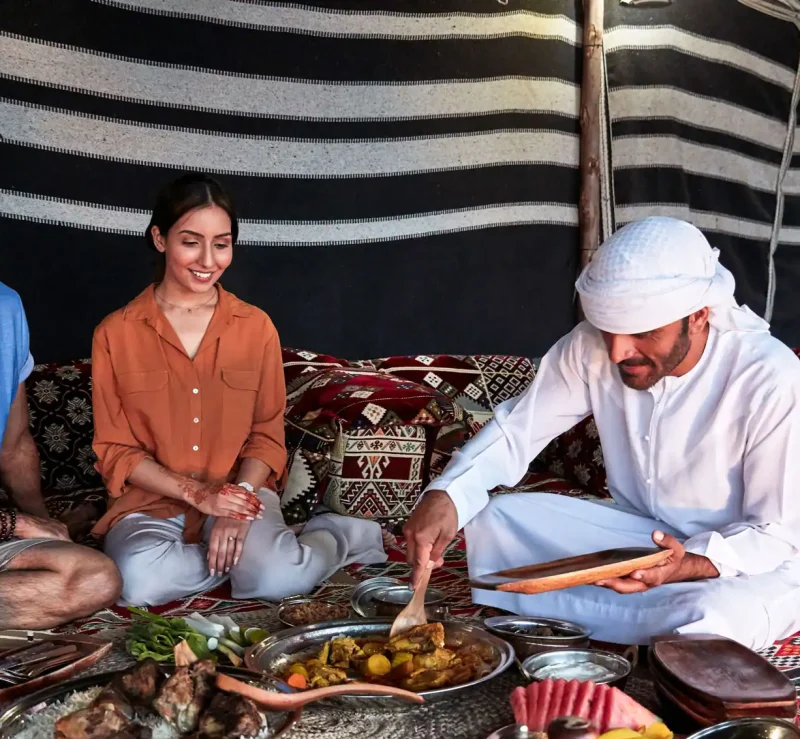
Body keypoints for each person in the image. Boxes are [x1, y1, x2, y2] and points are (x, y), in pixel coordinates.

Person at [404, 216, 800, 650]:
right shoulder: (591, 347)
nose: (618, 352)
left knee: (714, 619)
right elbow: (519, 430)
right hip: (644, 539)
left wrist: (687, 565)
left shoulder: (770, 377)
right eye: (609, 331)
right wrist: (447, 492)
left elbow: (775, 535)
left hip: (744, 562)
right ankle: (646, 624)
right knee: (497, 520)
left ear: (700, 316)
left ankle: (650, 623)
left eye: (643, 333)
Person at [91, 173, 387, 606]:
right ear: (159, 238)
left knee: (279, 581)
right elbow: (116, 450)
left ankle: (335, 537)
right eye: (190, 241)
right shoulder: (114, 333)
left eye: (222, 243)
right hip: (152, 503)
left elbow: (267, 435)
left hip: (242, 492)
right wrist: (200, 496)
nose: (207, 260)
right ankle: (245, 562)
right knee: (137, 585)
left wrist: (238, 501)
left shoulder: (255, 327)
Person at [0, 282, 121, 627]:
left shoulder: (6, 307)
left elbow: (15, 444)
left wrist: (46, 524)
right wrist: (15, 523)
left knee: (95, 578)